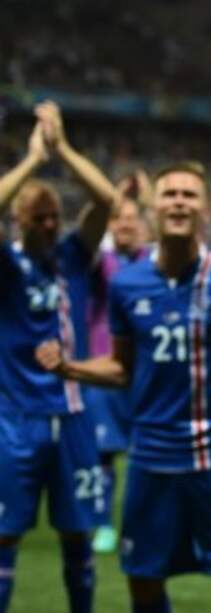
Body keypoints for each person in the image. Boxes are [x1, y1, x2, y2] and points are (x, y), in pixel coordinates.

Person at [36, 160, 211, 613]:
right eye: (170, 194)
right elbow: (122, 369)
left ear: (205, 209)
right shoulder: (127, 285)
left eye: (189, 195)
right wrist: (70, 369)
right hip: (152, 460)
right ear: (154, 208)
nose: (179, 201)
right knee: (144, 582)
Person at [0, 103, 116, 613]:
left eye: (53, 216)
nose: (49, 224)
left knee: (78, 538)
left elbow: (106, 198)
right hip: (14, 421)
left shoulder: (71, 255)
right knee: (4, 539)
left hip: (71, 418)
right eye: (37, 218)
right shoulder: (6, 264)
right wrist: (30, 160)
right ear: (18, 222)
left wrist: (61, 150)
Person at [84, 171, 153, 554]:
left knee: (148, 455)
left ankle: (140, 525)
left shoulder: (154, 259)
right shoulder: (98, 261)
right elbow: (89, 233)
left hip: (147, 374)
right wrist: (113, 199)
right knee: (104, 454)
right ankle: (103, 525)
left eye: (133, 218)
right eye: (118, 218)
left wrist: (146, 199)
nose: (126, 224)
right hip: (105, 372)